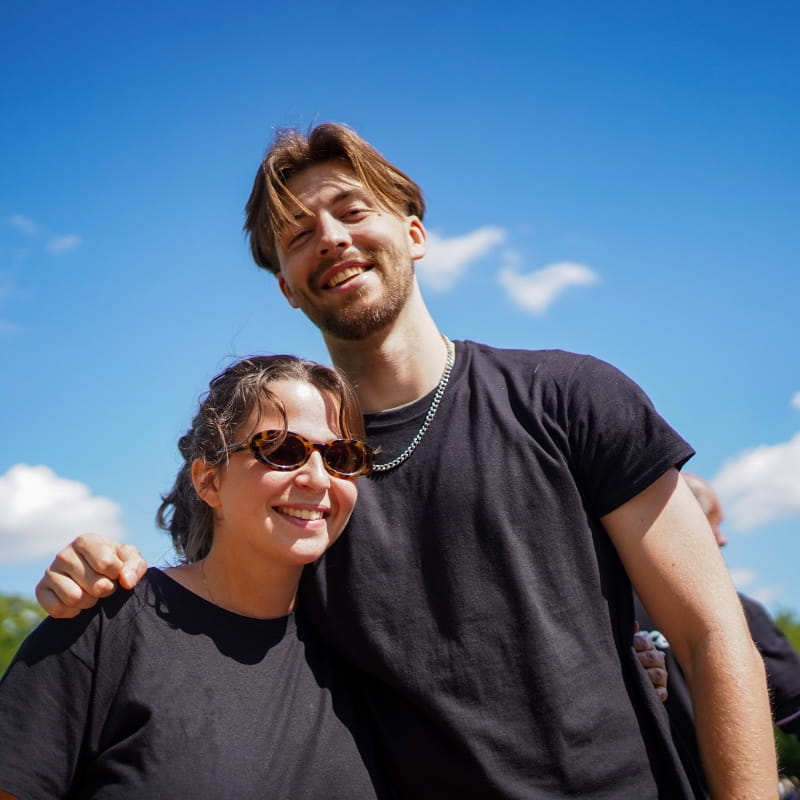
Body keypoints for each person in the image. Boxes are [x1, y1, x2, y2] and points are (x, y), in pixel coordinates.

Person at [35, 123, 777, 798]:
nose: (328, 237)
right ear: (288, 288)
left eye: (353, 212)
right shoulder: (296, 487)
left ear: (414, 233)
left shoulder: (572, 396)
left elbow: (712, 635)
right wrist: (94, 574)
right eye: (297, 234)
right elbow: (203, 615)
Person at [0, 355, 387, 799]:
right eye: (281, 449)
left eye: (341, 456)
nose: (318, 478)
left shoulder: (361, 650)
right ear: (208, 481)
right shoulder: (106, 624)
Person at [635, 472, 800, 798]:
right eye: (714, 522)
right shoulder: (731, 611)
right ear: (687, 523)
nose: (723, 538)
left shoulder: (605, 604)